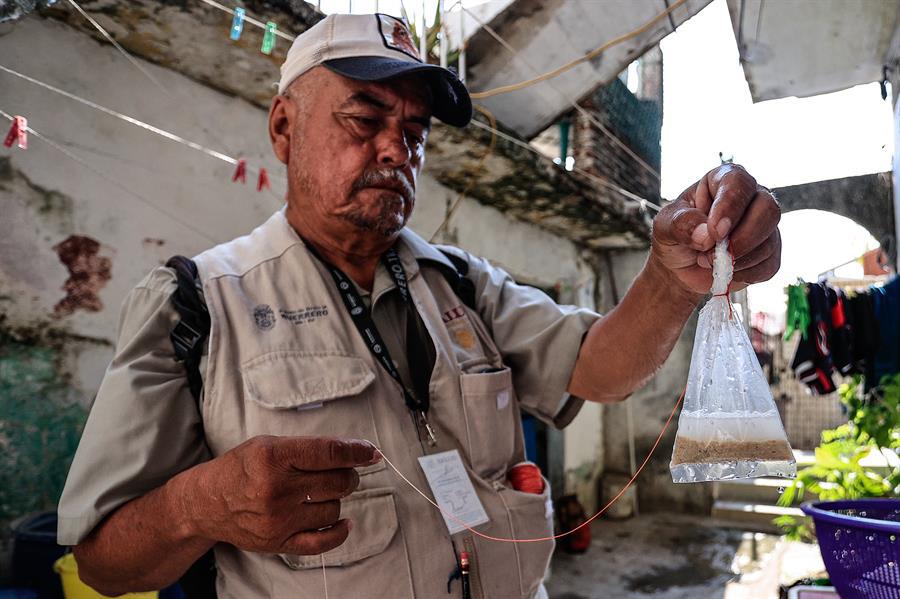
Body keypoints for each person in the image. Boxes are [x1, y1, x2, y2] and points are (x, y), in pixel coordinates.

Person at [57, 13, 782, 599]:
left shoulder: (463, 284)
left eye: (414, 133)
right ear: (283, 128)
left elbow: (598, 368)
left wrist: (669, 278)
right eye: (363, 119)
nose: (395, 150)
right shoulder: (195, 305)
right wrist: (198, 506)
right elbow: (100, 563)